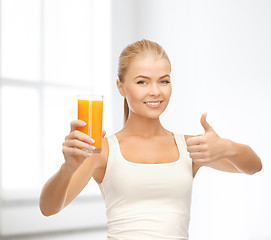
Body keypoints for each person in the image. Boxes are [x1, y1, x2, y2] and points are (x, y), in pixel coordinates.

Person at [39, 39, 262, 240]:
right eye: (142, 82)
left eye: (164, 81)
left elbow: (254, 167)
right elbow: (48, 208)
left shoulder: (189, 147)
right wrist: (67, 168)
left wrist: (227, 148)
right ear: (121, 87)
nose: (155, 91)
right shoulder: (102, 150)